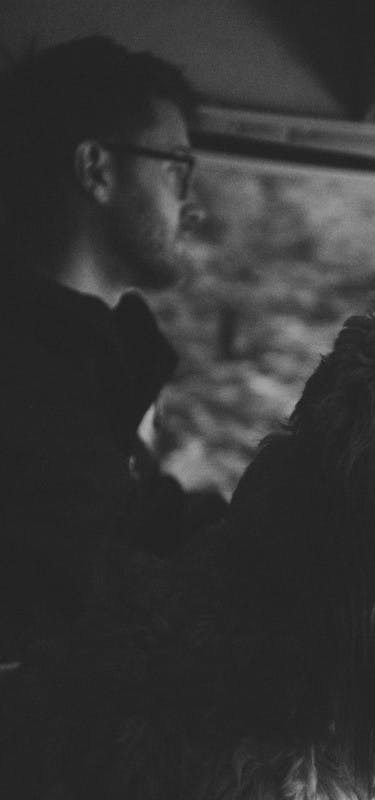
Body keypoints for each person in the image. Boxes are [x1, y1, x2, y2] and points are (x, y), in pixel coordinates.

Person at [0, 36, 224, 661]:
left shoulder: (96, 360)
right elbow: (83, 596)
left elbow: (140, 523)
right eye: (177, 169)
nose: (193, 207)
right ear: (97, 170)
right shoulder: (28, 382)